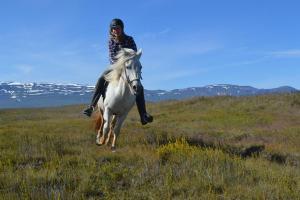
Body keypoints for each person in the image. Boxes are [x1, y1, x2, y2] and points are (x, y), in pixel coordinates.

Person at [83, 18, 153, 125]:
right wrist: (121, 60)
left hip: (129, 66)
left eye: (117, 28)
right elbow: (112, 57)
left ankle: (143, 114)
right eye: (113, 29)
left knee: (139, 86)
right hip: (115, 67)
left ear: (122, 29)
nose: (115, 31)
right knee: (101, 79)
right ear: (111, 30)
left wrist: (126, 58)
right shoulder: (111, 41)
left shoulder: (129, 39)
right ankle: (91, 107)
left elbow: (134, 54)